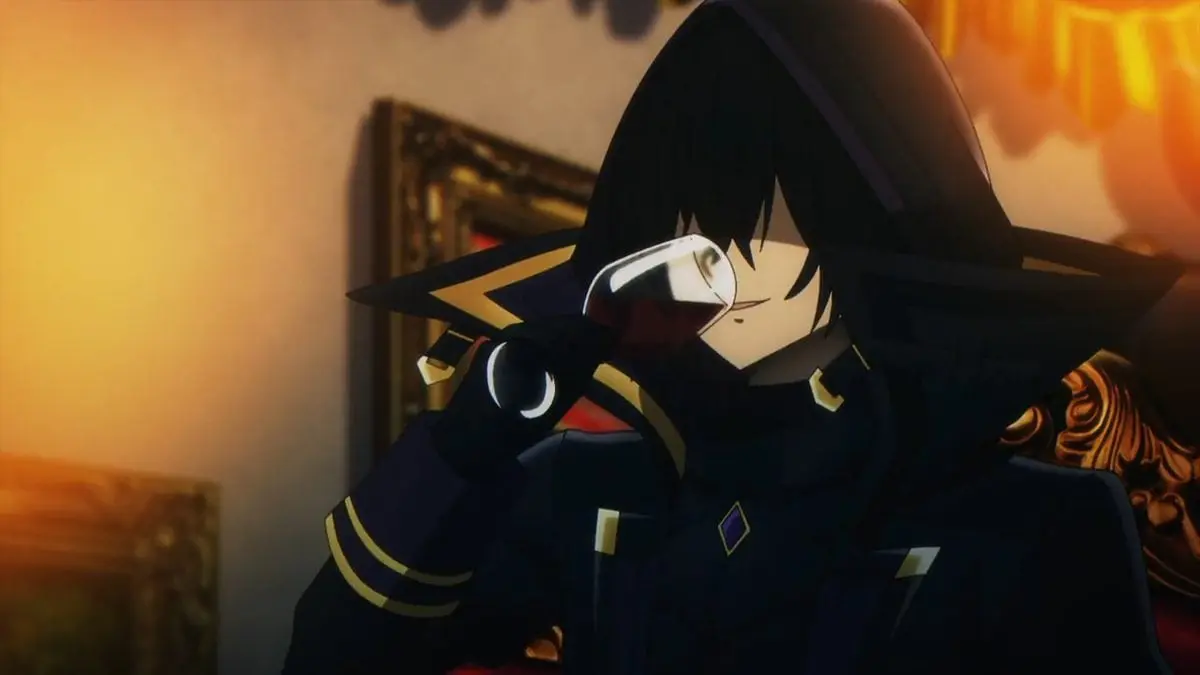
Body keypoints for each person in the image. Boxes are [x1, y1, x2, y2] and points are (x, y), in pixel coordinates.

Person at [283, 0, 1180, 672]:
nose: (719, 266)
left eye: (756, 223)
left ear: (856, 227)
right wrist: (469, 441)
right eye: (690, 227)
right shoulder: (583, 490)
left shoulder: (1036, 525)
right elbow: (334, 655)